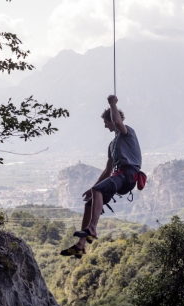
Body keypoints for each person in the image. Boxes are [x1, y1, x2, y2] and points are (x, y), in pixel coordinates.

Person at [60, 95, 142, 258]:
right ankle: (81, 245)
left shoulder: (127, 132)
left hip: (129, 174)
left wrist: (112, 104)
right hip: (120, 176)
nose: (105, 126)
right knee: (89, 203)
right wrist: (92, 189)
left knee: (99, 190)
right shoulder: (112, 145)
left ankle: (92, 228)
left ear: (112, 119)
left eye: (106, 122)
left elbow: (118, 123)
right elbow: (107, 171)